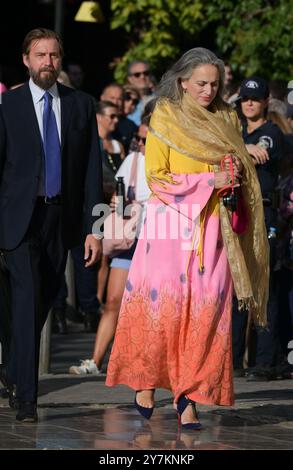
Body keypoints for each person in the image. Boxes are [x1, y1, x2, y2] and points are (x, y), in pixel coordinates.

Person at [106, 48, 269, 430]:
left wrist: (236, 168)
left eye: (215, 84)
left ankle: (189, 396)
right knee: (165, 312)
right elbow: (157, 177)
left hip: (215, 228)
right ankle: (146, 380)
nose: (208, 91)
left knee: (209, 314)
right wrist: (207, 180)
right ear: (182, 81)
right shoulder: (165, 113)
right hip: (169, 228)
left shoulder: (228, 116)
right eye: (200, 83)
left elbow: (234, 160)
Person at [0, 28, 103, 422]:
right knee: (26, 301)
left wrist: (95, 228)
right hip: (18, 218)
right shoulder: (9, 105)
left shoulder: (80, 104)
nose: (48, 63)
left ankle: (13, 370)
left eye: (54, 55)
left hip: (61, 219)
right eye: (40, 55)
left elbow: (92, 169)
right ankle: (28, 398)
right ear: (26, 59)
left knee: (41, 301)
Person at [69, 122, 151, 375]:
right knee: (113, 300)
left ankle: (145, 362)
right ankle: (95, 361)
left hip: (158, 240)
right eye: (139, 138)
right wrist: (116, 199)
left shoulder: (176, 161)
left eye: (147, 139)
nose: (140, 144)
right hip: (129, 238)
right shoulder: (133, 161)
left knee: (150, 303)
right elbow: (118, 190)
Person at [233, 77, 286, 380]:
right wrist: (243, 147)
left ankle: (265, 361)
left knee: (265, 288)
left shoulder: (272, 133)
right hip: (238, 212)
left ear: (266, 101)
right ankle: (232, 359)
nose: (249, 103)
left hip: (264, 212)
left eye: (255, 98)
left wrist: (240, 149)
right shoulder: (237, 132)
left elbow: (259, 154)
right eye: (244, 99)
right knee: (238, 288)